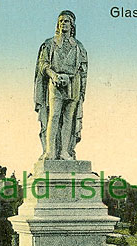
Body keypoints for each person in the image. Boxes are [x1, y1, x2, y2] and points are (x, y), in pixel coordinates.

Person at [34, 10, 88, 160]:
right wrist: (53, 75)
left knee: (69, 118)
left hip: (73, 83)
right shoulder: (49, 44)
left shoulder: (79, 46)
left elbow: (83, 70)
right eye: (61, 21)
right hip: (55, 82)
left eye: (66, 21)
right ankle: (50, 151)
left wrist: (82, 91)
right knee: (54, 115)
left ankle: (65, 151)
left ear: (72, 25)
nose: (63, 23)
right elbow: (42, 64)